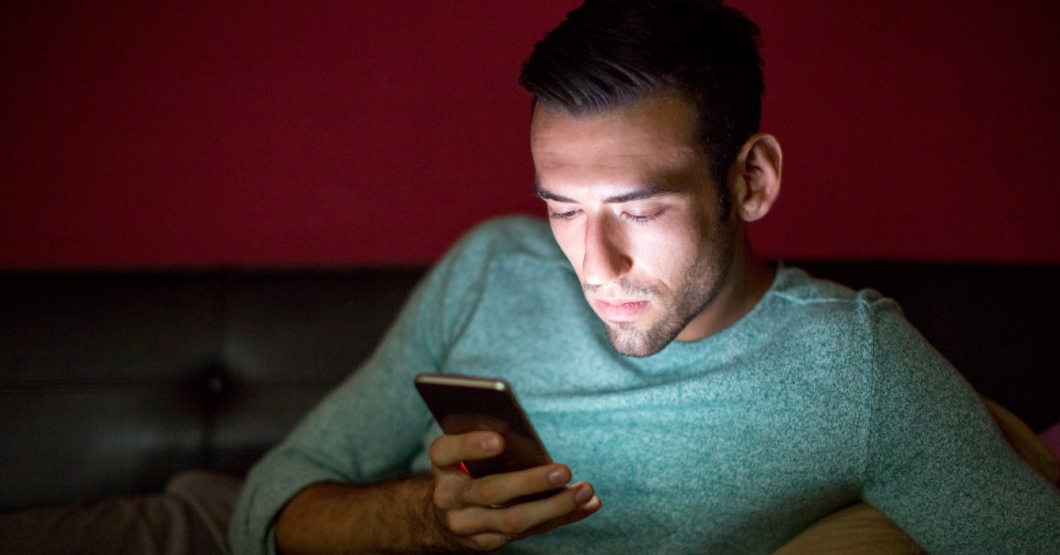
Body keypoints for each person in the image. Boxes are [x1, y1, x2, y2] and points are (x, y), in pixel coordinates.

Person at [228, 1, 1060, 554]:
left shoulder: (857, 365)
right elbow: (266, 501)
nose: (595, 266)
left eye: (640, 209)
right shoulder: (490, 267)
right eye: (561, 207)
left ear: (752, 181)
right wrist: (426, 518)